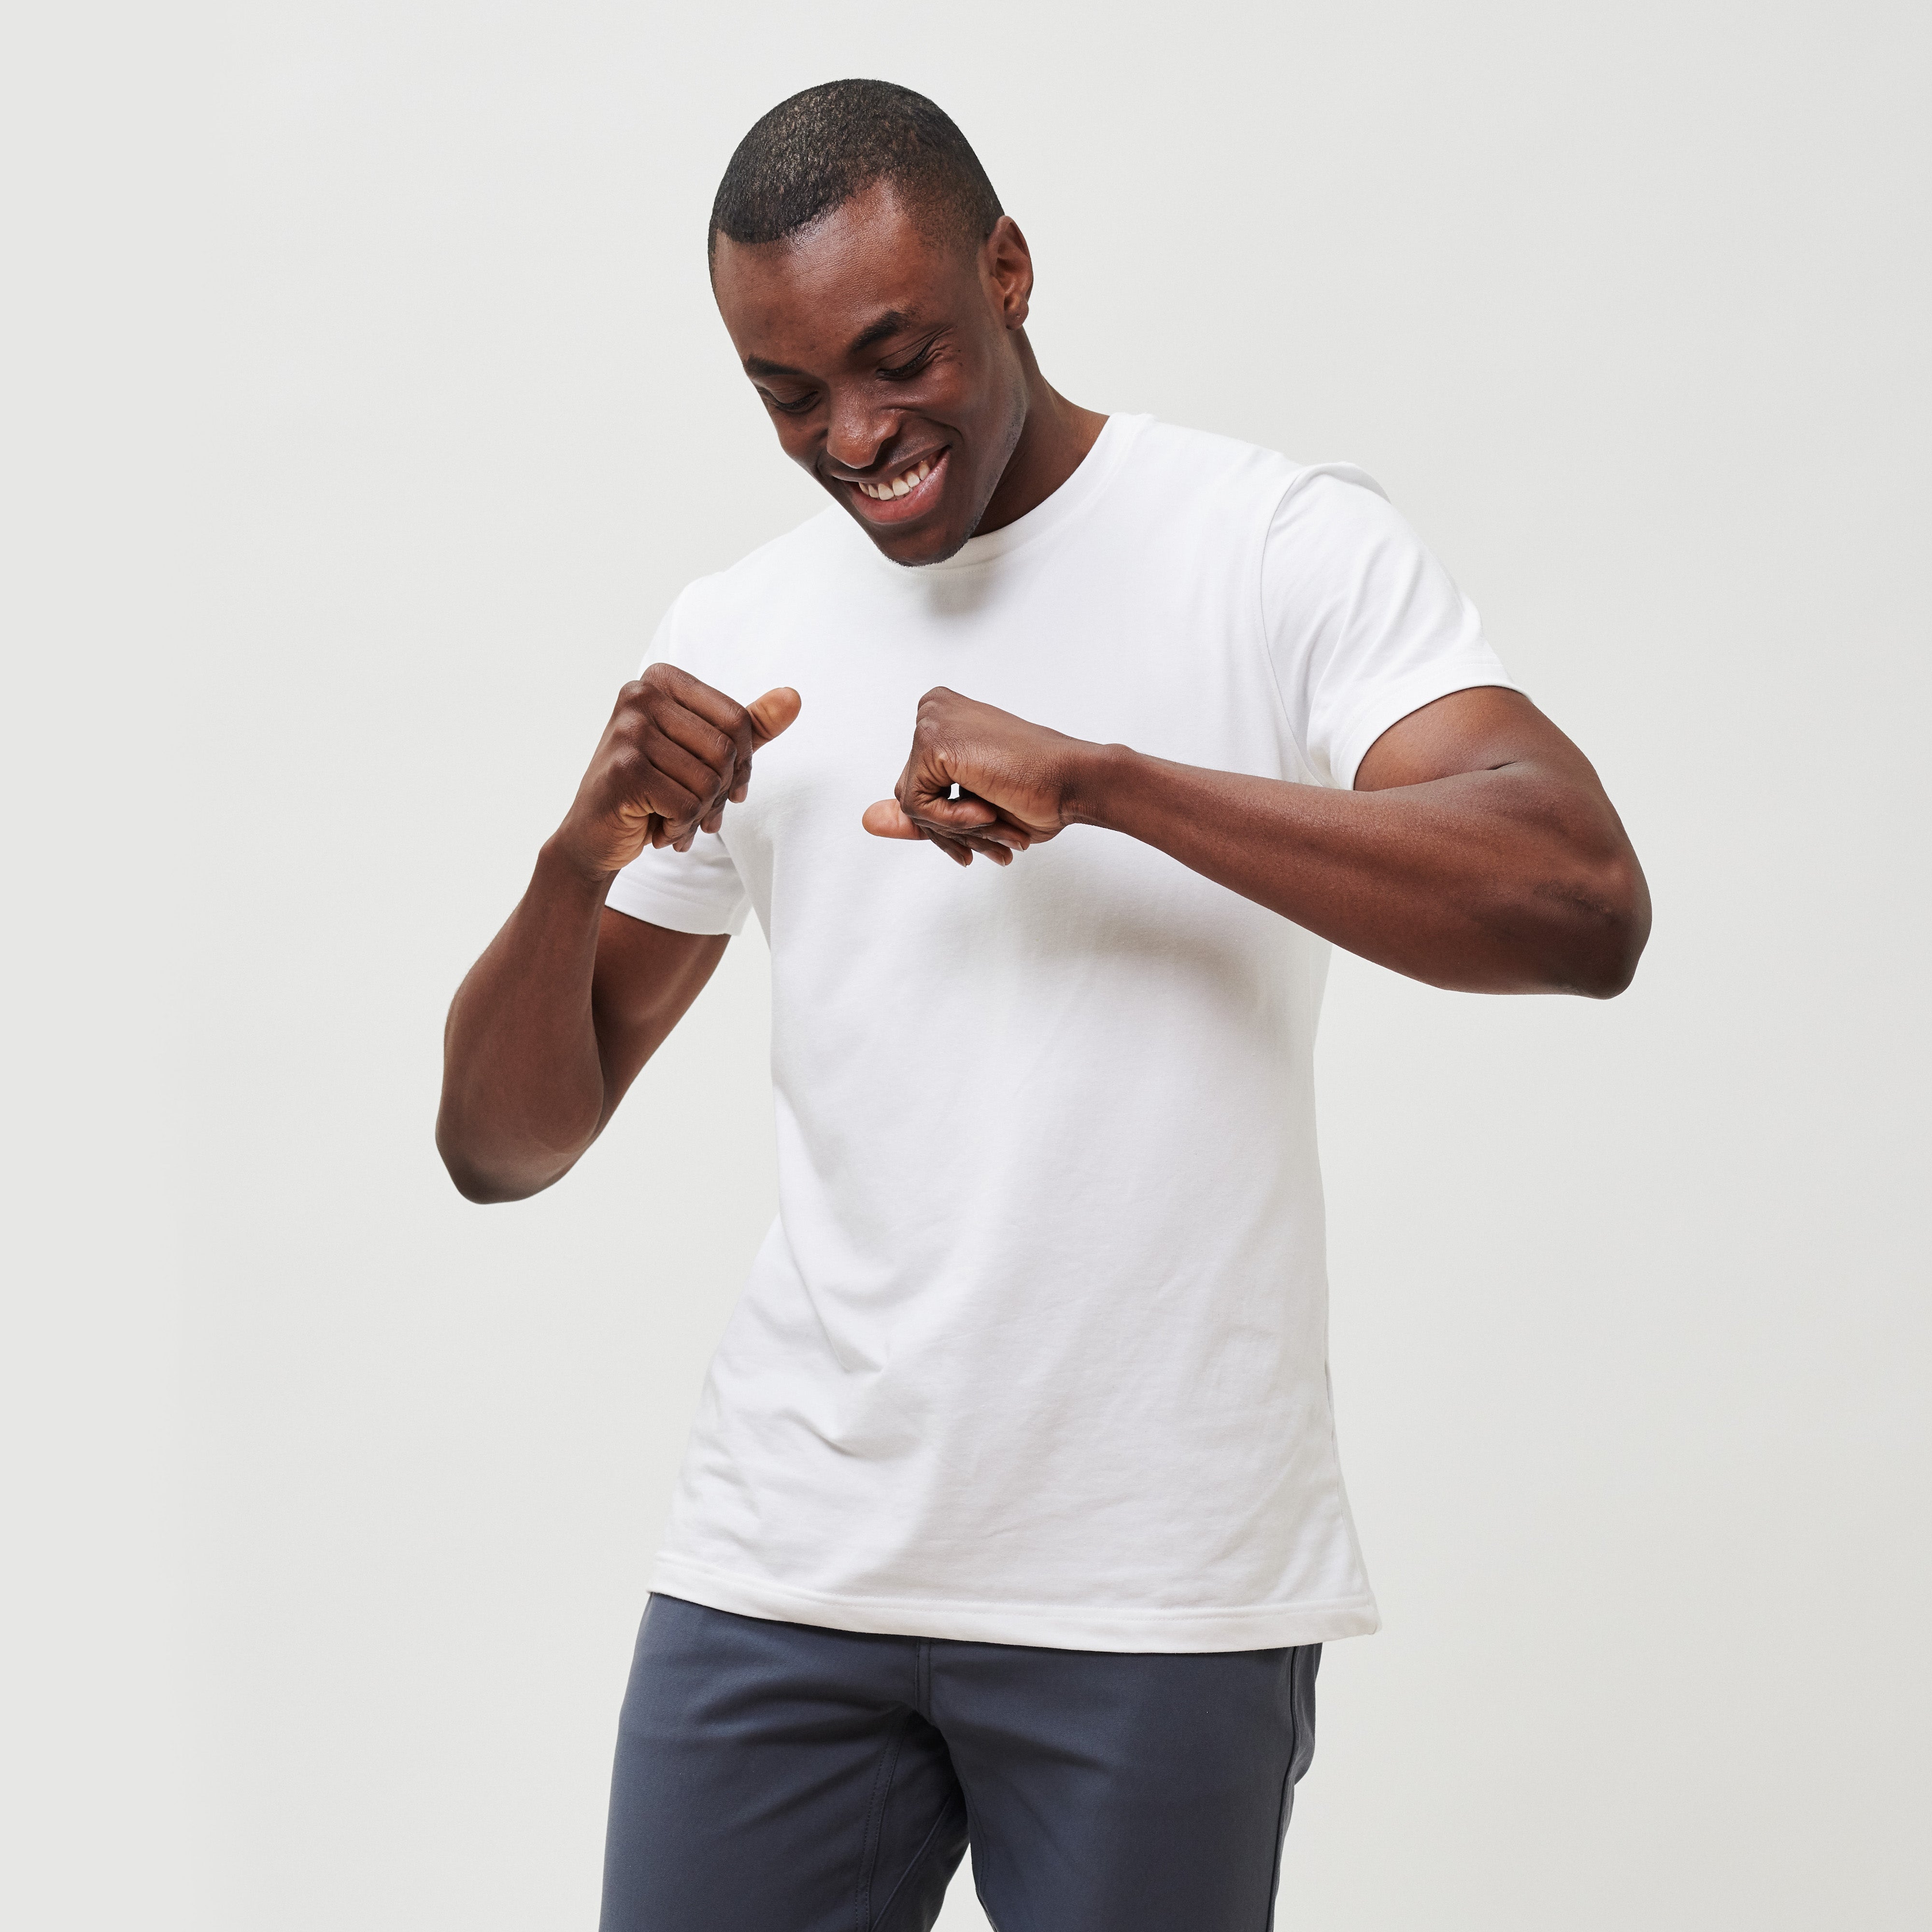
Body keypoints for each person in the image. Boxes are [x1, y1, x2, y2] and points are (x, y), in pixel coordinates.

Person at [437, 78, 1649, 1932]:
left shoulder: (1271, 544)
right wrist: (571, 861)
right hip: (784, 1571)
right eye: (788, 396)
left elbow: (1580, 896)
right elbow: (501, 1150)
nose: (856, 439)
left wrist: (1111, 786)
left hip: (1147, 1588)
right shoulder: (740, 632)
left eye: (896, 357)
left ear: (1007, 269)